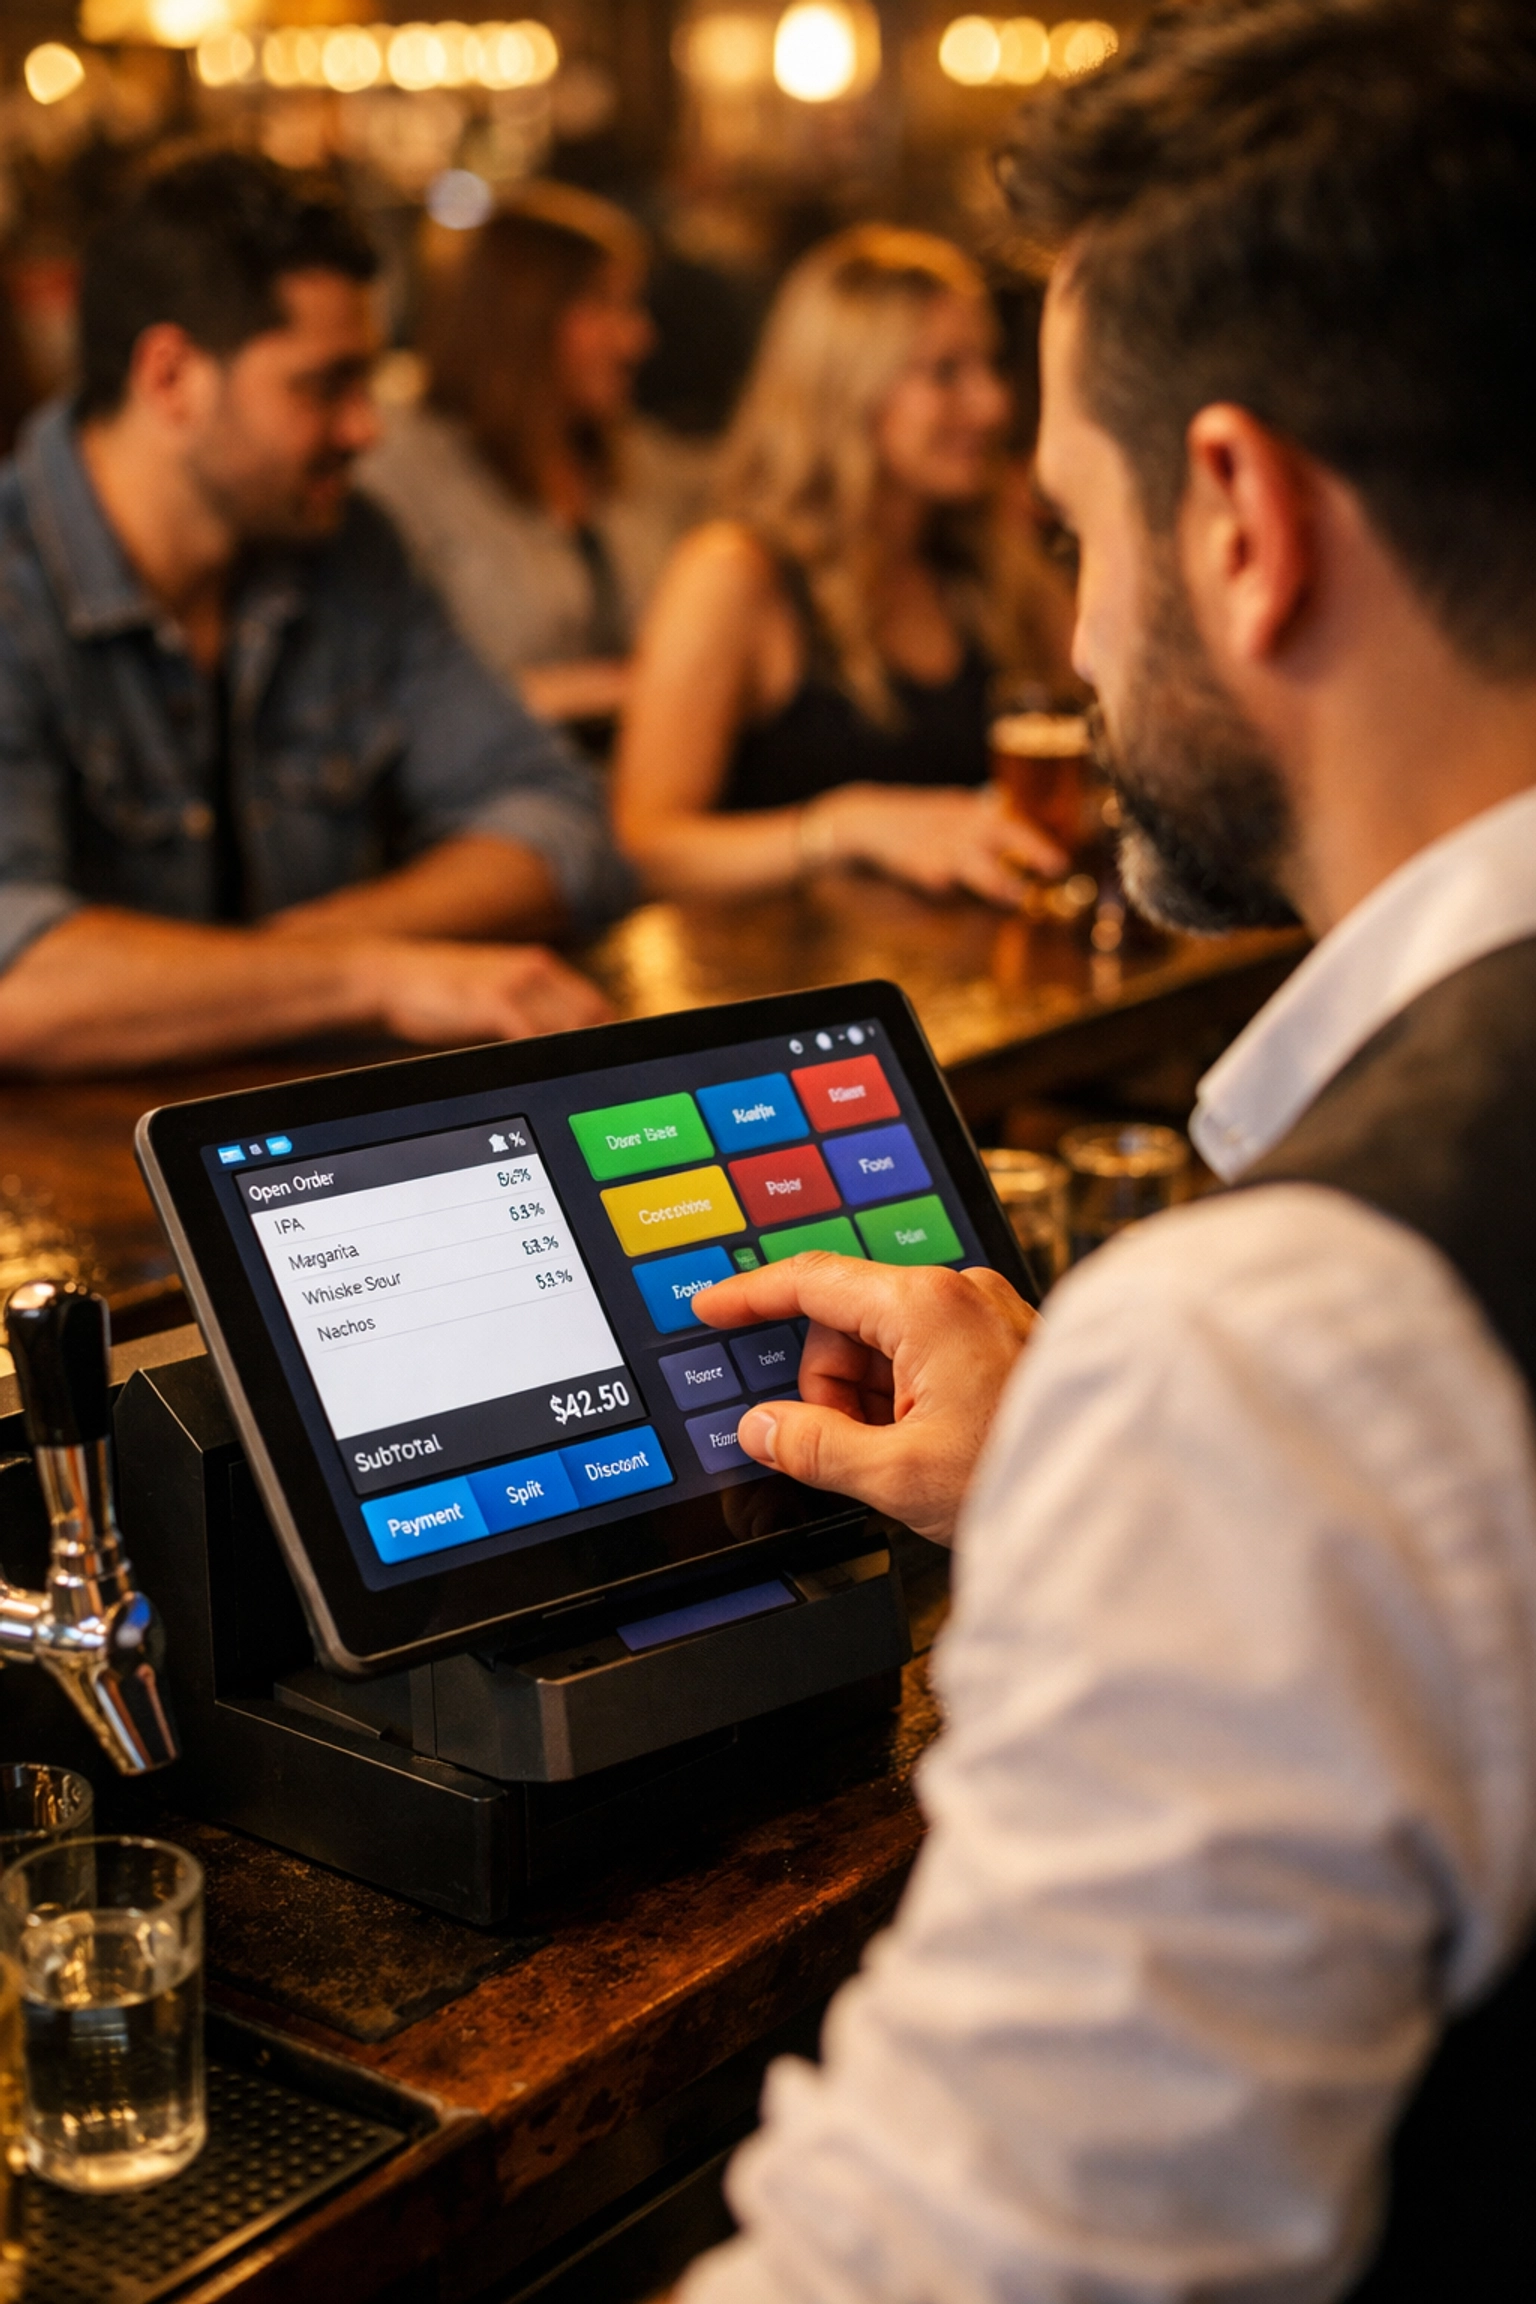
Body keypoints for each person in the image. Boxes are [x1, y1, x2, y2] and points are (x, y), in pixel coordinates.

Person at [665, 3, 1536, 2299]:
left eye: (1075, 524)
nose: (1065, 625)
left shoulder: (1292, 1351)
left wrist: (1187, 1445)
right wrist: (1082, 1452)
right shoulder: (1296, 1390)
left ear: (1238, 519)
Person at [0, 151, 629, 1078]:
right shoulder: (16, 582)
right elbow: (16, 984)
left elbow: (559, 822)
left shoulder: (345, 548)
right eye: (325, 384)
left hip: (304, 1151)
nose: (366, 428)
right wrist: (364, 976)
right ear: (170, 376)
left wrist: (288, 963)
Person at [612, 226, 1072, 903]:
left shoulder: (983, 557)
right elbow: (646, 847)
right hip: (802, 990)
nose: (993, 404)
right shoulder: (735, 573)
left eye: (989, 366)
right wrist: (843, 826)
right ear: (847, 387)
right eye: (946, 372)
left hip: (978, 979)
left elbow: (1111, 723)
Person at [360, 183, 711, 733]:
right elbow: (380, 693)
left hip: (643, 782)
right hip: (486, 790)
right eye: (606, 306)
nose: (637, 337)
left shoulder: (637, 463)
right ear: (522, 314)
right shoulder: (400, 465)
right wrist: (619, 687)